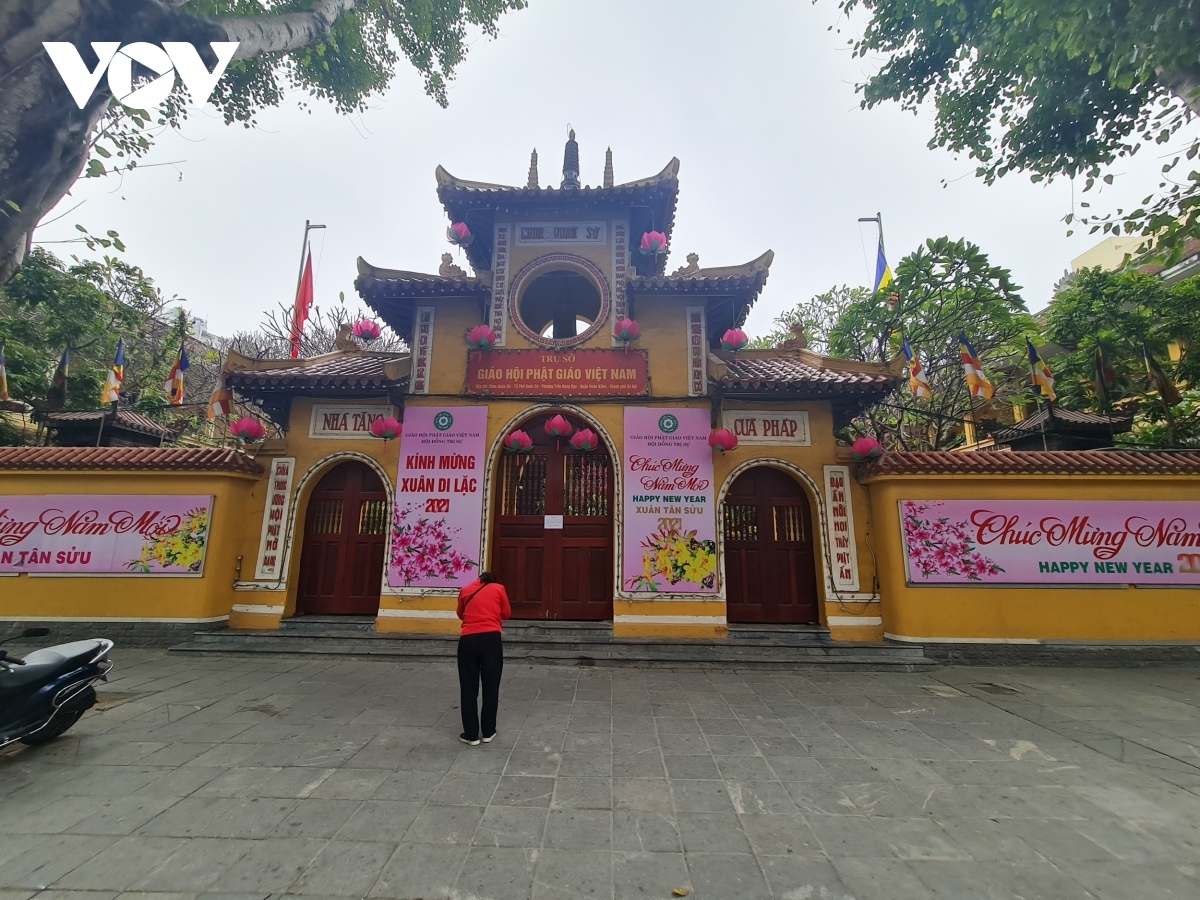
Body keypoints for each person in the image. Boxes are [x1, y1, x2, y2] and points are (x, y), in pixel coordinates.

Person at [455, 571, 511, 745]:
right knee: (491, 686)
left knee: (468, 687)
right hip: (491, 640)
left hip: (468, 640)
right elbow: (506, 613)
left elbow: (460, 614)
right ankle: (488, 731)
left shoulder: (465, 590)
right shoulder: (499, 589)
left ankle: (471, 734)